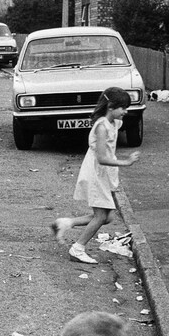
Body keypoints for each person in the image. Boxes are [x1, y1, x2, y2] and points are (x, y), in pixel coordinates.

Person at [51, 87, 140, 264]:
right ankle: (77, 248)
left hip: (104, 174)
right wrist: (126, 162)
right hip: (96, 172)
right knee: (101, 216)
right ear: (111, 107)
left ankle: (65, 223)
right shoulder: (101, 127)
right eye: (123, 108)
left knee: (108, 217)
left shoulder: (114, 123)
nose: (126, 111)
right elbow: (101, 158)